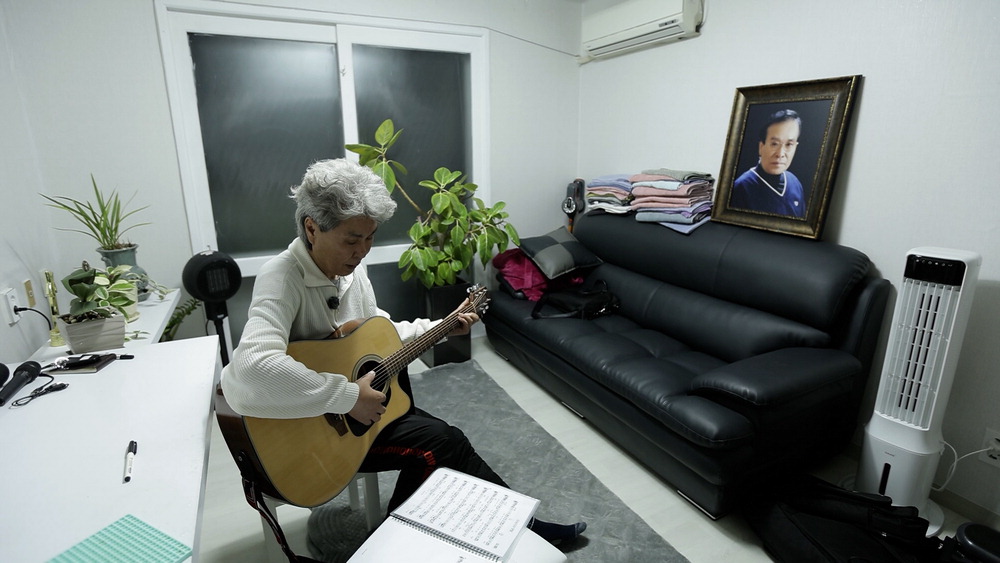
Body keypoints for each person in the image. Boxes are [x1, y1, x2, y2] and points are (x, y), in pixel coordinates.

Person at [220, 158, 586, 545]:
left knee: (450, 442)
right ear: (312, 228)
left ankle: (518, 527)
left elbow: (378, 334)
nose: (362, 251)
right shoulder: (282, 277)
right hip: (309, 435)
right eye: (351, 239)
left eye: (370, 237)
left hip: (357, 416)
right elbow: (254, 366)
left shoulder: (350, 272)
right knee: (439, 447)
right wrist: (347, 396)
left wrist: (441, 329)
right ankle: (392, 543)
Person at [730, 109, 807, 217]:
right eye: (774, 144)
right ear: (761, 147)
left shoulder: (795, 183)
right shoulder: (741, 188)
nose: (780, 153)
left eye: (789, 145)